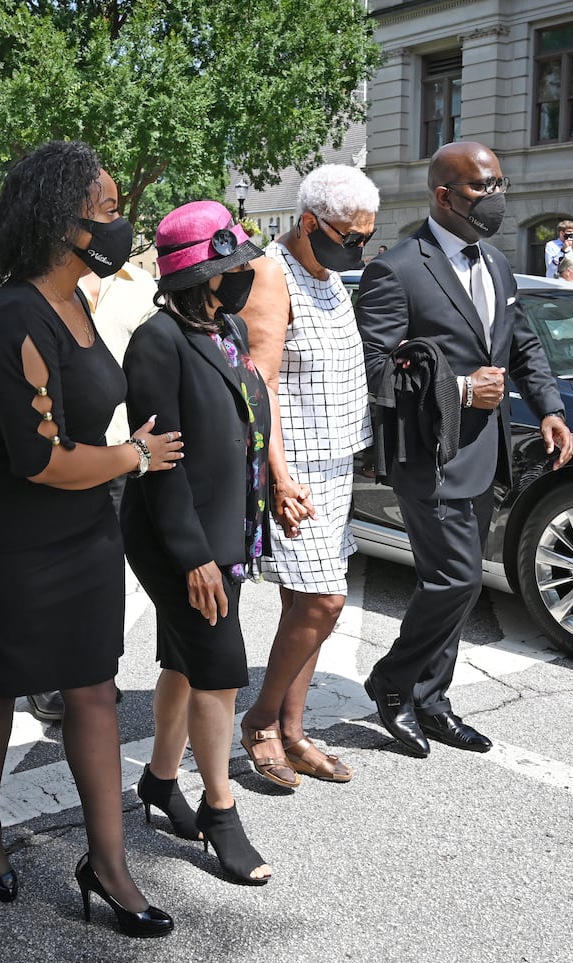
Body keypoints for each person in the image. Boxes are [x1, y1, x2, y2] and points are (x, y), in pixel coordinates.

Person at [0, 141, 181, 937]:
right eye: (108, 210)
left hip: (81, 528)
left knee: (94, 690)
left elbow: (82, 420)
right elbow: (40, 458)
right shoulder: (14, 315)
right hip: (6, 531)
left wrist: (124, 448)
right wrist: (134, 456)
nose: (120, 225)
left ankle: (108, 864)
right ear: (58, 219)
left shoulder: (80, 298)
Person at [358, 141, 573, 758]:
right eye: (482, 187)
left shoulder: (498, 265)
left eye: (500, 184)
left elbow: (523, 346)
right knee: (453, 579)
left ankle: (433, 700)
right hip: (428, 455)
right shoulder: (396, 269)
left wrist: (550, 409)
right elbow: (373, 372)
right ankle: (394, 686)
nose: (495, 198)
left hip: (485, 454)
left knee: (461, 583)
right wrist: (457, 388)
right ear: (444, 194)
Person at [123, 199, 275, 883]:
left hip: (228, 527)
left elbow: (243, 423)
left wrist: (275, 492)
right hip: (176, 535)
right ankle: (219, 808)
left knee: (187, 664)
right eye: (233, 265)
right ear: (200, 276)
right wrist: (192, 557)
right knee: (218, 672)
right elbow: (161, 460)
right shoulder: (156, 340)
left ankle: (159, 782)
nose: (244, 274)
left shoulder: (228, 329)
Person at [236, 163, 377, 790]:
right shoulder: (273, 273)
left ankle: (293, 731)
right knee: (325, 601)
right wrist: (280, 477)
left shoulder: (330, 276)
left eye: (367, 236)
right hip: (298, 472)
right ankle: (262, 720)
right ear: (311, 222)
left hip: (336, 462)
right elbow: (261, 383)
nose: (359, 248)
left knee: (309, 606)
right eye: (350, 236)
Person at [25, 255, 159, 722]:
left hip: (121, 448)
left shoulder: (141, 285)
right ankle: (42, 673)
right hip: (57, 450)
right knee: (50, 562)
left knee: (103, 565)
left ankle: (95, 667)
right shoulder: (40, 288)